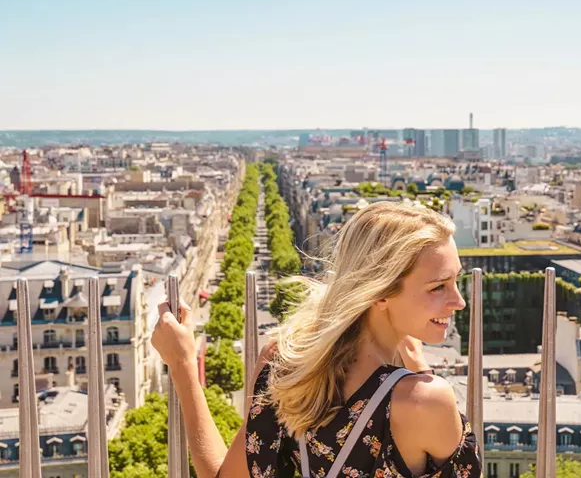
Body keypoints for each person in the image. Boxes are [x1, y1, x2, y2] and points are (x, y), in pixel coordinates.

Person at [151, 201, 482, 478]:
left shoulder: (284, 362)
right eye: (439, 286)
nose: (459, 301)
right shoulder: (425, 399)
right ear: (379, 291)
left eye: (456, 282)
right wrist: (419, 367)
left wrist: (181, 366)